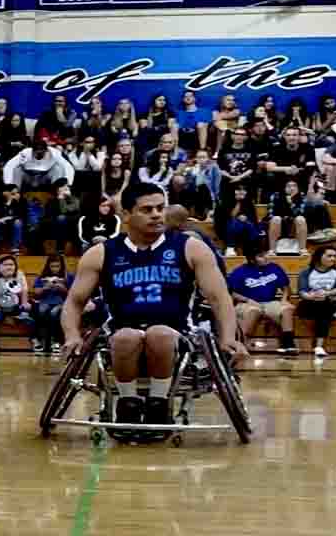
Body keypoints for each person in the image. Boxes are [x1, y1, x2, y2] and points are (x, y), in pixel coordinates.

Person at [61, 182, 246, 428]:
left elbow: (220, 299)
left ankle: (159, 403)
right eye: (147, 209)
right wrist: (72, 335)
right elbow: (74, 302)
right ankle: (128, 404)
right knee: (125, 337)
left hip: (178, 332)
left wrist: (228, 338)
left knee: (159, 334)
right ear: (126, 214)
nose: (157, 214)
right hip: (120, 331)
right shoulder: (102, 253)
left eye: (161, 208)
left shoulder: (190, 247)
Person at [228, 244, 297, 355]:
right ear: (251, 259)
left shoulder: (275, 268)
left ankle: (288, 343)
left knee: (287, 308)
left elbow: (286, 288)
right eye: (261, 256)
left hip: (270, 302)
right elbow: (231, 292)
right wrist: (247, 300)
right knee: (252, 311)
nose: (266, 257)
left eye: (265, 254)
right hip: (248, 302)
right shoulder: (239, 272)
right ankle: (241, 344)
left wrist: (284, 299)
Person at [297, 246, 336, 358]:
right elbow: (302, 292)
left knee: (324, 308)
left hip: (330, 302)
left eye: (334, 256)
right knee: (322, 307)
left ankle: (319, 347)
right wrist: (312, 296)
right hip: (309, 305)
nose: (333, 259)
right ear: (318, 257)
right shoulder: (306, 272)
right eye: (329, 256)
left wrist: (325, 294)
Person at [33, 255, 73, 354]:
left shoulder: (69, 276)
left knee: (54, 313)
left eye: (57, 266)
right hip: (45, 301)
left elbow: (73, 294)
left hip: (61, 303)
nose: (55, 269)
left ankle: (56, 341)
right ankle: (44, 340)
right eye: (52, 266)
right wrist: (45, 287)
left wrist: (62, 288)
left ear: (62, 266)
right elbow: (36, 293)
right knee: (42, 311)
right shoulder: (42, 277)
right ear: (48, 266)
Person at [265, 179, 309, 256]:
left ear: (298, 188)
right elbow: (270, 214)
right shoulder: (275, 196)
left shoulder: (302, 196)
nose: (292, 188)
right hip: (279, 223)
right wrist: (283, 218)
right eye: (289, 186)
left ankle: (302, 250)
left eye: (294, 186)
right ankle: (272, 250)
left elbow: (302, 213)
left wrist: (291, 202)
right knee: (276, 219)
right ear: (284, 188)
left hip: (295, 225)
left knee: (300, 219)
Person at [0, 183, 26, 254]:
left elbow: (21, 215)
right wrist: (8, 203)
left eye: (18, 193)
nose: (16, 195)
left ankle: (15, 248)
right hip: (3, 224)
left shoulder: (22, 201)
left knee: (17, 223)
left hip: (16, 223)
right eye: (13, 193)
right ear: (6, 193)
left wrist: (7, 218)